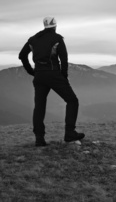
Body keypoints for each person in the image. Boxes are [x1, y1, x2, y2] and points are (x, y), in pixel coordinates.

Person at [18, 17, 85, 147]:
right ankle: (70, 133)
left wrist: (31, 71)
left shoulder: (33, 39)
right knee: (72, 100)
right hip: (54, 74)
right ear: (55, 26)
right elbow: (64, 60)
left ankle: (39, 139)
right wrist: (64, 77)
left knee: (39, 107)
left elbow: (22, 55)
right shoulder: (57, 39)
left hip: (39, 76)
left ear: (44, 26)